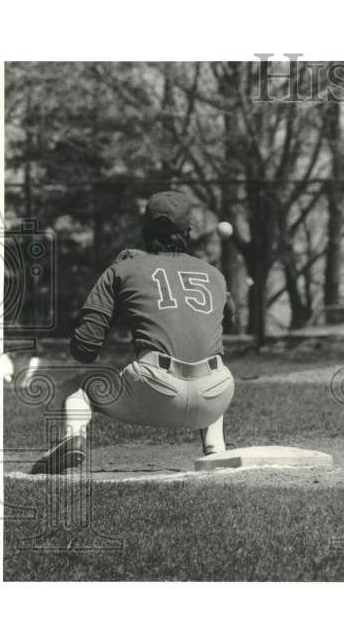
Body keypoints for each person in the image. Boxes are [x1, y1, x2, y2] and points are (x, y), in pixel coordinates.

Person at [31, 191, 236, 474]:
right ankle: (216, 451)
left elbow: (84, 349)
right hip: (217, 394)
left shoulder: (123, 269)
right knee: (209, 364)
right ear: (187, 232)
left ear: (145, 230)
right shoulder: (213, 274)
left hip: (157, 389)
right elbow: (231, 322)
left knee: (79, 387)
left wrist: (119, 293)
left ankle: (72, 437)